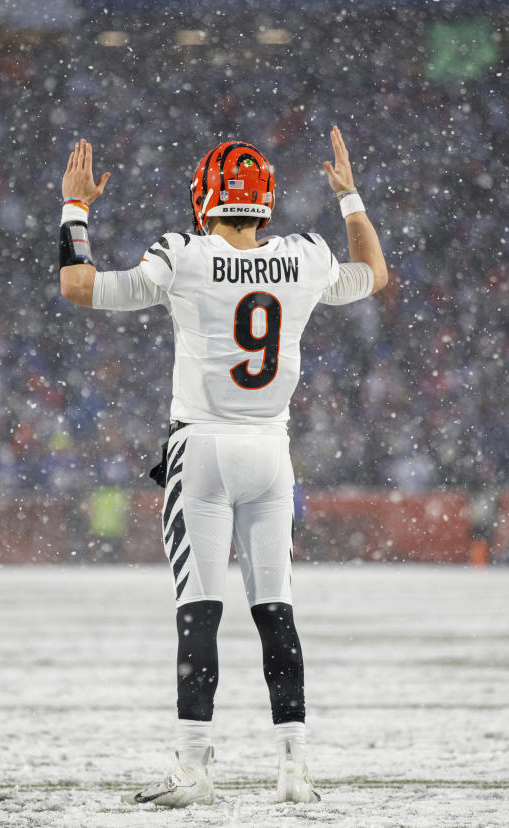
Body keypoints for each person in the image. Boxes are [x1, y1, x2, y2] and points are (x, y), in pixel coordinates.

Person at [57, 128, 389, 807]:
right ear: (265, 202)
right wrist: (349, 195)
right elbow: (374, 275)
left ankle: (193, 768)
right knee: (276, 610)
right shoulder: (303, 257)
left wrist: (74, 209)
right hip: (271, 451)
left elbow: (78, 286)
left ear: (204, 201)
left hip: (202, 449)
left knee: (198, 612)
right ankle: (295, 768)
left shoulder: (183, 254)